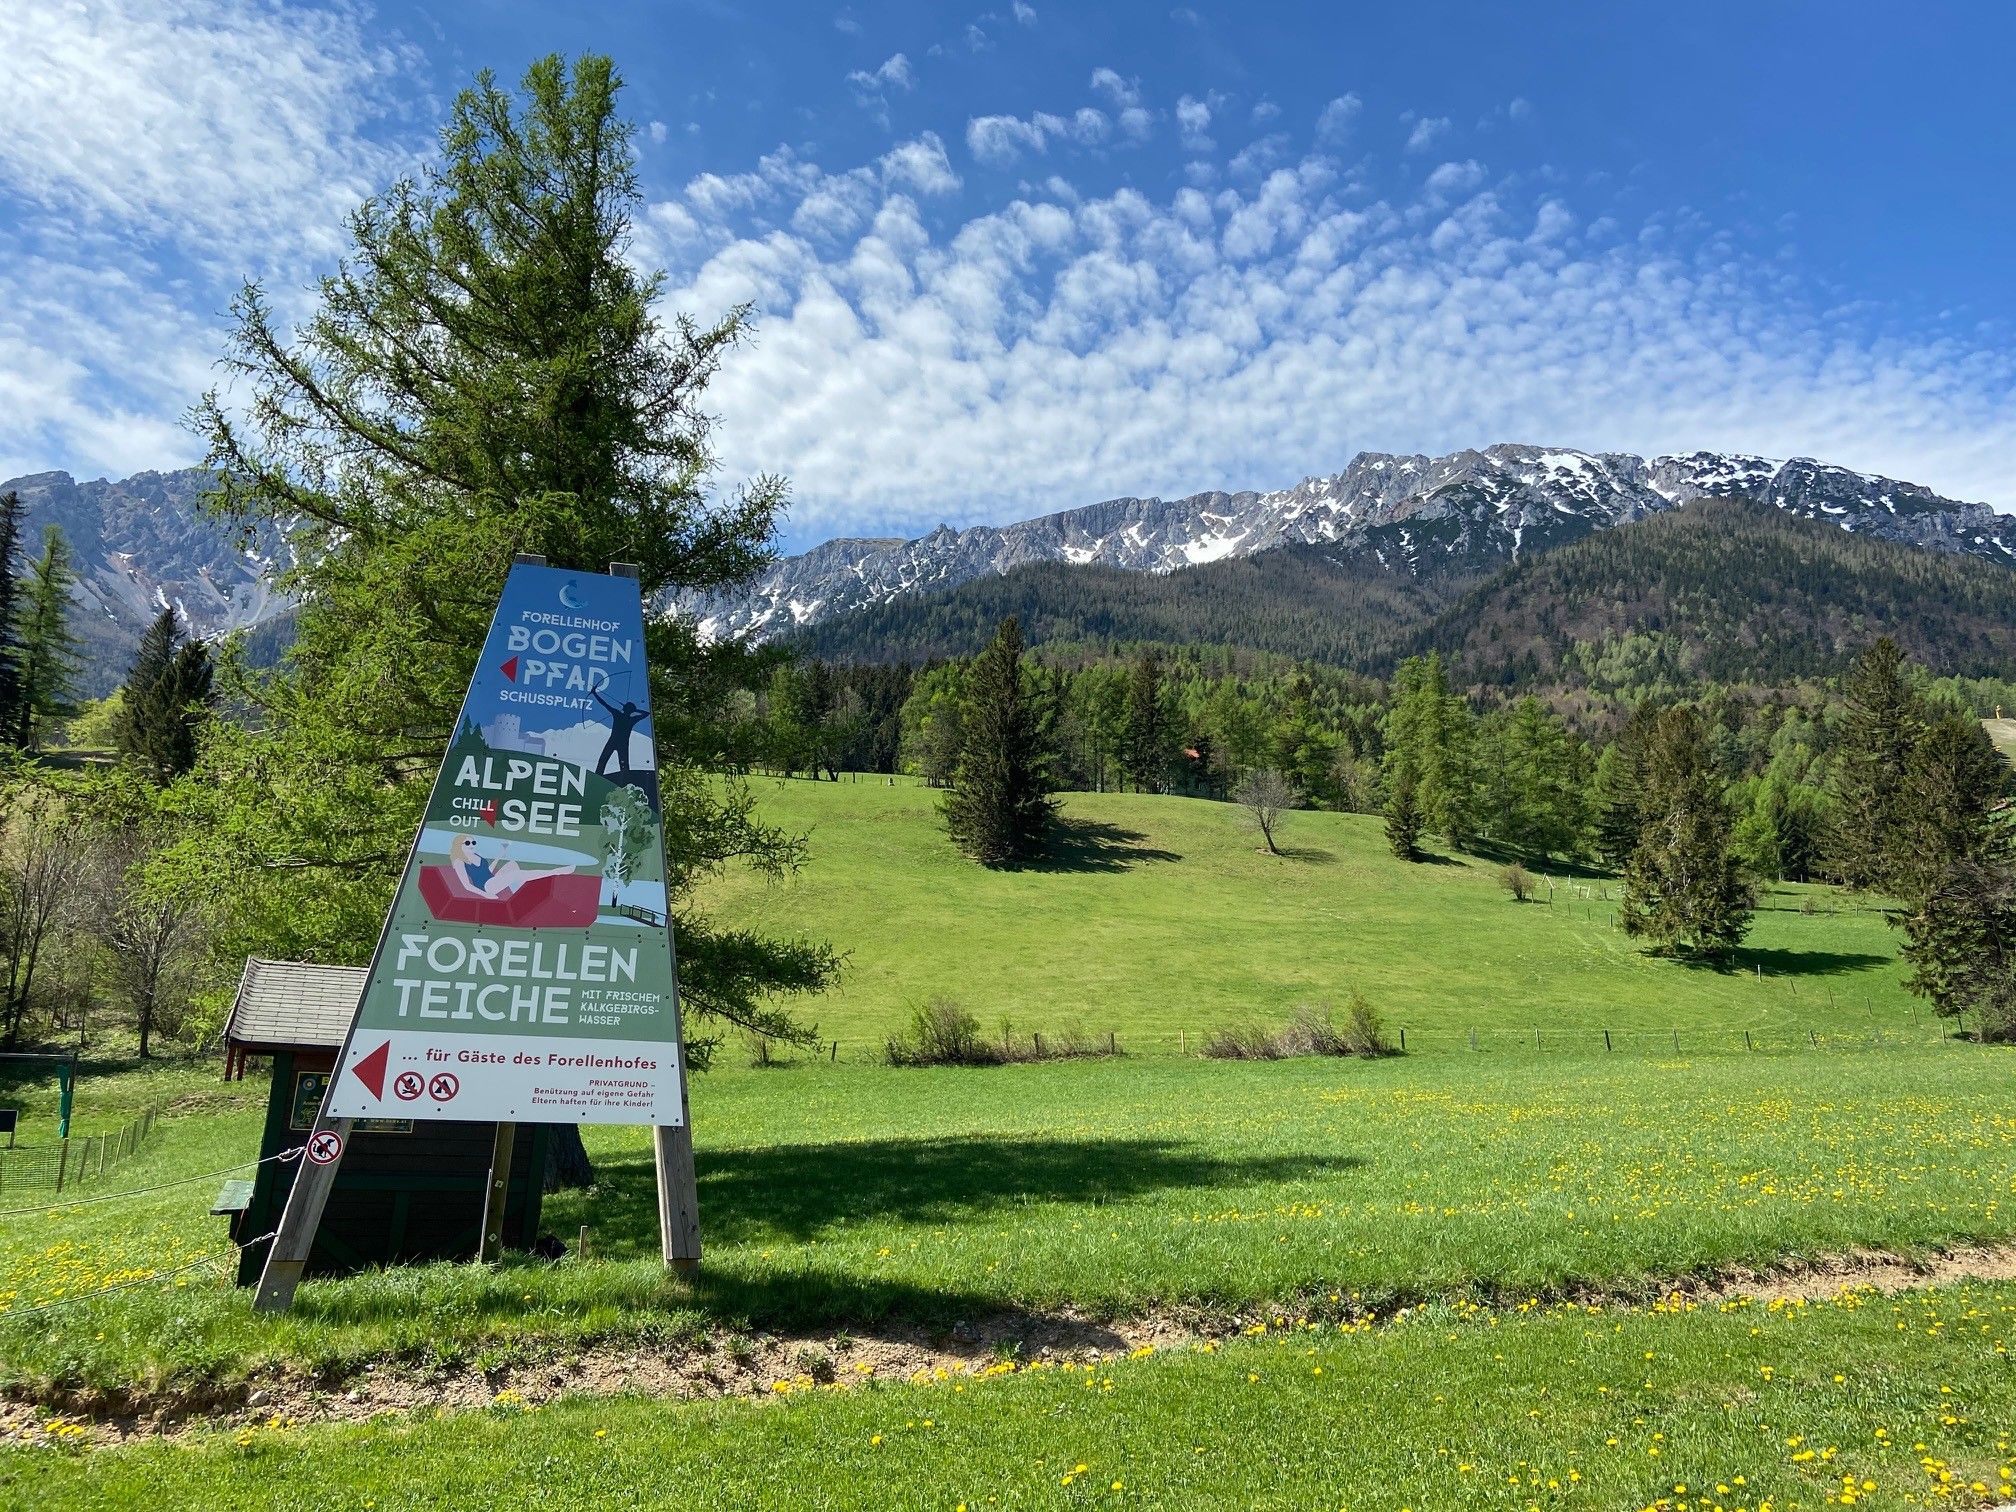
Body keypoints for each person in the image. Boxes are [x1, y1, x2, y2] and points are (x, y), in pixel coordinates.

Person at [447, 835, 573, 899]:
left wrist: (500, 854)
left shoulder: (476, 855)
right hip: (487, 887)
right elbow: (467, 885)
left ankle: (521, 894)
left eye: (473, 842)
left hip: (492, 880)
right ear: (459, 845)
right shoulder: (460, 861)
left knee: (512, 864)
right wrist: (486, 895)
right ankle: (555, 872)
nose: (471, 845)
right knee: (514, 875)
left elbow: (487, 871)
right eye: (467, 843)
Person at [591, 687, 648, 777]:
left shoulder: (619, 715)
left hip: (614, 741)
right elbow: (646, 714)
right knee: (622, 764)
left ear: (625, 709)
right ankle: (623, 780)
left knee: (604, 761)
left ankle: (598, 777)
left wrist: (594, 693)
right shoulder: (632, 719)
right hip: (622, 743)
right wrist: (634, 710)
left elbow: (604, 704)